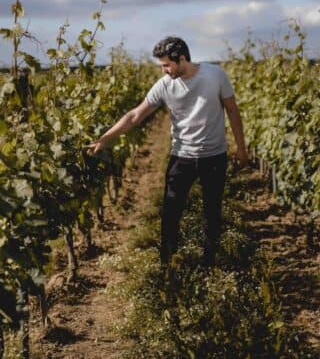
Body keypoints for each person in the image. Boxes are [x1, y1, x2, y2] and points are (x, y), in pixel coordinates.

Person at [86, 37, 248, 267]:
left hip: (214, 156)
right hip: (182, 156)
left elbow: (232, 111)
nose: (163, 70)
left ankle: (208, 264)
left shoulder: (215, 75)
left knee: (212, 213)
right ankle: (167, 265)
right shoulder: (164, 84)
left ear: (182, 59)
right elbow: (135, 116)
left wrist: (241, 149)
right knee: (170, 214)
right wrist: (105, 139)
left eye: (166, 65)